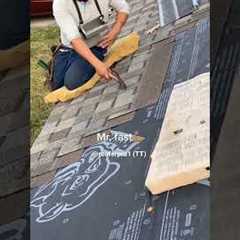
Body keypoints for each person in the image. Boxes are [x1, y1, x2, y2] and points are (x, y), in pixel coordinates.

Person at [52, 0, 130, 90]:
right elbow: (74, 39)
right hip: (69, 50)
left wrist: (115, 30)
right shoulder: (60, 3)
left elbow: (124, 8)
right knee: (57, 85)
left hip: (96, 47)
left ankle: (97, 58)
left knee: (72, 82)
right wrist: (98, 65)